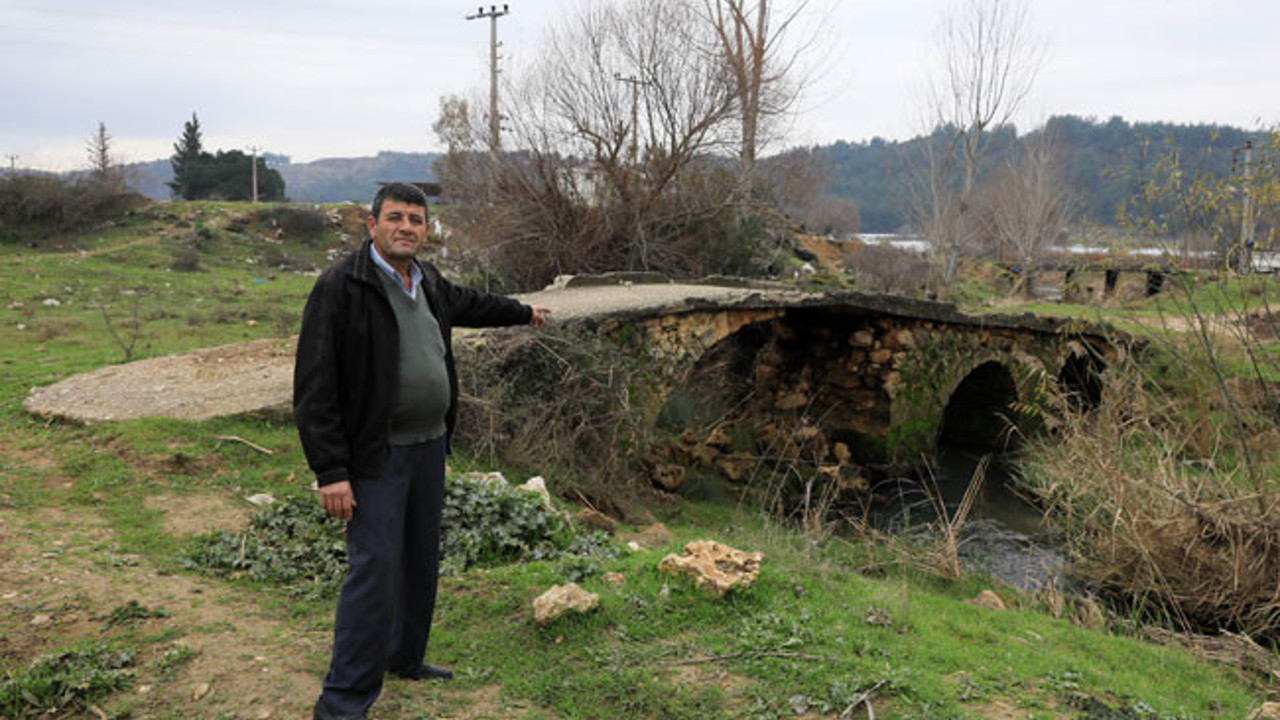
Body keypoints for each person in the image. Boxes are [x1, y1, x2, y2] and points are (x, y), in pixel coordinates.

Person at [294, 182, 549, 720]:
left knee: (419, 562)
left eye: (415, 219)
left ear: (426, 229)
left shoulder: (426, 279)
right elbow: (315, 387)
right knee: (375, 571)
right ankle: (342, 704)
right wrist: (331, 471)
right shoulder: (342, 287)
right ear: (372, 225)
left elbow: (472, 304)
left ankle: (405, 657)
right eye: (395, 217)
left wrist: (524, 313)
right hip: (375, 457)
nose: (405, 227)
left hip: (429, 447)